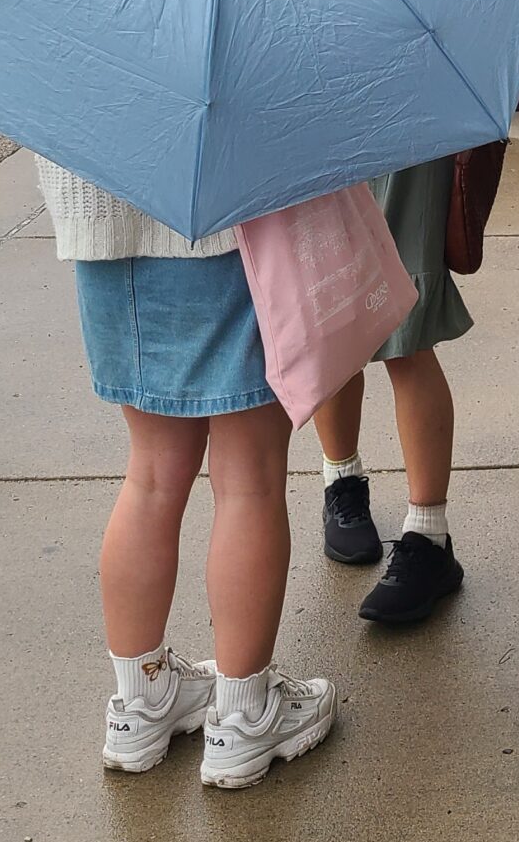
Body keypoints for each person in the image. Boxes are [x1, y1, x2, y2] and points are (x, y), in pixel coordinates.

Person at [38, 159, 335, 791]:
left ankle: (139, 703)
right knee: (249, 479)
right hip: (227, 226)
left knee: (150, 475)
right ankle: (244, 716)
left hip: (102, 229)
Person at [309, 157, 470, 624]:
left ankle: (429, 536)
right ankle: (341, 481)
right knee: (332, 310)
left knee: (407, 318)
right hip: (317, 119)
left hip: (408, 123)